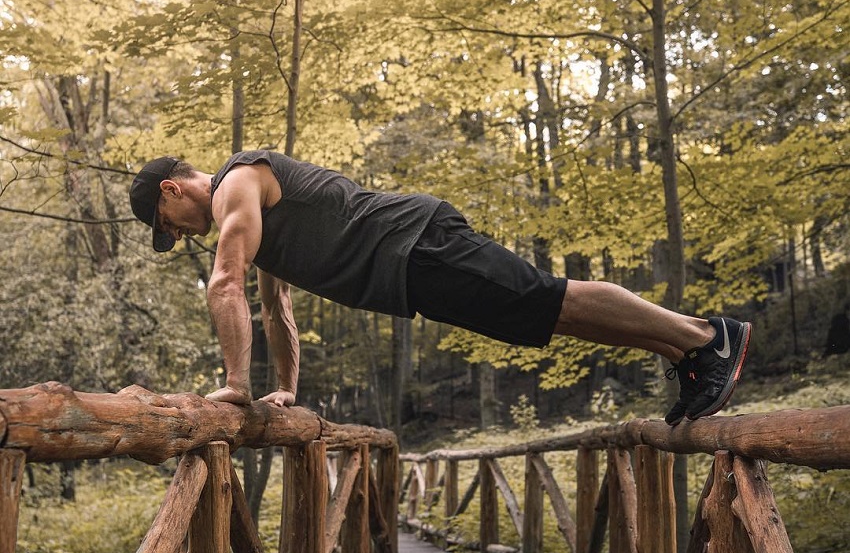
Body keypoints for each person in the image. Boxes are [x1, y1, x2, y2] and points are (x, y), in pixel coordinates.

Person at [129, 150, 751, 425]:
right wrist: (285, 389)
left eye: (169, 227)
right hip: (412, 270)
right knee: (539, 318)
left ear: (172, 191)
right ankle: (685, 356)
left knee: (543, 296)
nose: (179, 236)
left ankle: (705, 335)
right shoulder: (255, 220)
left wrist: (237, 386)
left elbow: (227, 283)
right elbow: (275, 305)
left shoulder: (239, 184)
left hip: (416, 243)